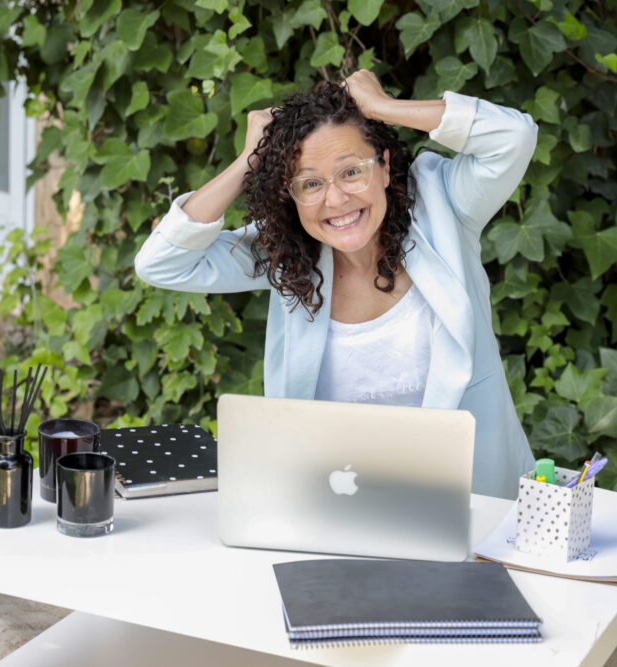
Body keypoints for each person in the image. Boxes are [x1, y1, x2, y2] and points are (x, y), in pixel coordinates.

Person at [134, 70, 538, 499]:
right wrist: (250, 156)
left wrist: (383, 108)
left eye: (351, 172)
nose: (336, 199)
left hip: (474, 502)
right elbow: (163, 263)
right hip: (335, 507)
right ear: (291, 195)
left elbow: (513, 137)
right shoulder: (286, 254)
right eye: (310, 183)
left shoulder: (443, 207)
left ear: (383, 167)